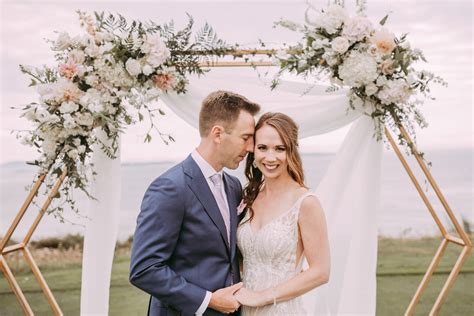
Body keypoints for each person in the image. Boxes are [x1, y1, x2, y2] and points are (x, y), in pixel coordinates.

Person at [129, 91, 261, 315]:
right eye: (245, 138)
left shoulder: (233, 186)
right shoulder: (170, 188)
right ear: (218, 134)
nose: (250, 148)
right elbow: (144, 269)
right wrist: (208, 300)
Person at [234, 112, 331, 315]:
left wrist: (261, 297)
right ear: (253, 153)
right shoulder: (248, 198)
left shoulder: (306, 203)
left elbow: (321, 272)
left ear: (291, 152)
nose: (270, 157)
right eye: (262, 148)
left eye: (280, 149)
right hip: (244, 310)